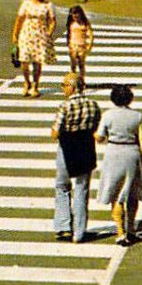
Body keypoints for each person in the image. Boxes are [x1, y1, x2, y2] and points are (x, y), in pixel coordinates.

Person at [96, 84, 142, 246]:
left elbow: (100, 137)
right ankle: (131, 229)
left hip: (113, 153)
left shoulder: (108, 116)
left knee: (116, 194)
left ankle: (120, 232)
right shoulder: (137, 116)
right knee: (132, 192)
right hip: (132, 153)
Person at [50, 74, 101, 243]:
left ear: (72, 87)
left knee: (62, 186)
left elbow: (55, 132)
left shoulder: (65, 107)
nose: (62, 88)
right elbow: (97, 129)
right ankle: (79, 232)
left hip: (67, 149)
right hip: (86, 149)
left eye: (64, 85)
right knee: (81, 190)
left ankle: (63, 227)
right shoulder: (93, 105)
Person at [11, 0, 57, 98]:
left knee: (37, 61)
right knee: (24, 60)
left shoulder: (48, 5)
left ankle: (35, 85)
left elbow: (52, 21)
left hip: (41, 34)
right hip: (27, 33)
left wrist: (49, 33)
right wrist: (15, 34)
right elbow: (19, 19)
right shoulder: (26, 4)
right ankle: (27, 82)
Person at [66, 5, 94, 85]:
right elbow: (68, 34)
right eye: (73, 14)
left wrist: (89, 45)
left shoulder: (85, 22)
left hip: (82, 46)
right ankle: (73, 81)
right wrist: (68, 44)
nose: (75, 16)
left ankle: (82, 80)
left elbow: (91, 34)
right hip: (73, 45)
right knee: (73, 65)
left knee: (81, 65)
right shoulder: (71, 22)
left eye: (76, 13)